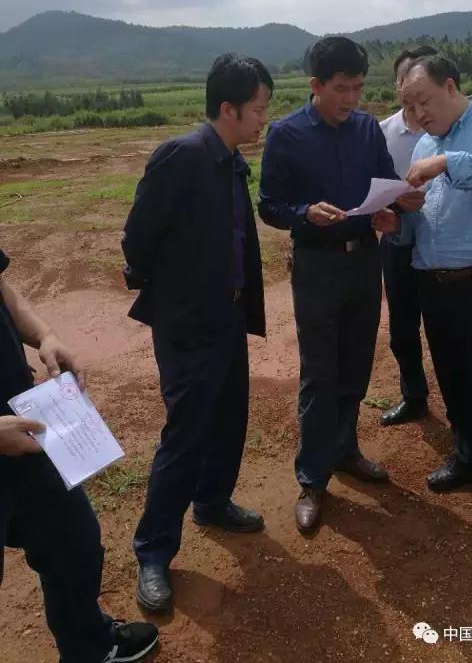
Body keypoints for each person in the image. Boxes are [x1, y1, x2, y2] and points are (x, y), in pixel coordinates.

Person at [122, 54, 271, 611]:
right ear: (228, 109)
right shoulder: (181, 156)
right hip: (187, 324)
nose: (263, 118)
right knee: (185, 435)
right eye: (258, 108)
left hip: (227, 316)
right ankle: (153, 552)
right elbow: (138, 237)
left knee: (230, 418)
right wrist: (171, 295)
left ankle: (212, 502)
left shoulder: (230, 162)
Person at [258, 36, 423, 534]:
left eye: (358, 88)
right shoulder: (286, 134)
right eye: (341, 89)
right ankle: (312, 479)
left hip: (364, 262)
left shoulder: (367, 130)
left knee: (355, 362)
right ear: (316, 85)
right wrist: (304, 213)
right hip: (317, 266)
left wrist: (393, 211)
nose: (351, 99)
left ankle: (346, 449)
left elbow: (385, 183)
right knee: (319, 372)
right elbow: (269, 205)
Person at [373, 54, 472, 546]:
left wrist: (446, 163)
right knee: (456, 382)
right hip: (435, 285)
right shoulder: (425, 143)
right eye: (409, 106)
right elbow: (429, 221)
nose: (418, 114)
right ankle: (470, 457)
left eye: (423, 101)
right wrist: (398, 222)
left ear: (450, 86)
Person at [0, 248, 158, 663]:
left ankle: (89, 647)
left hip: (25, 430)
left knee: (72, 543)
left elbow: (2, 289)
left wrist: (45, 336)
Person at [378, 46, 436, 427]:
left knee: (446, 325)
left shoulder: (446, 129)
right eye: (403, 80)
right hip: (397, 239)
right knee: (402, 327)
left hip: (440, 240)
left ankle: (462, 403)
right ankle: (413, 395)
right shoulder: (383, 132)